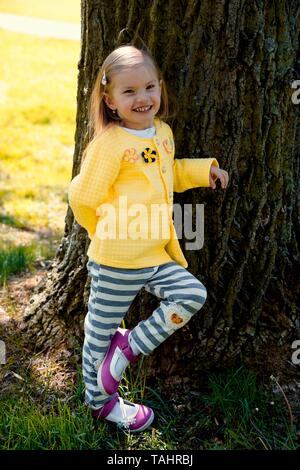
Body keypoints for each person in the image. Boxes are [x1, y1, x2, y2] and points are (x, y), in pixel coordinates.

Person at [68, 43, 229, 433]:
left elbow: (168, 172)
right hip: (116, 262)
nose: (143, 98)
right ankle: (100, 403)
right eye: (129, 91)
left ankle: (128, 347)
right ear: (109, 100)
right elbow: (82, 196)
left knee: (192, 295)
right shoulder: (111, 144)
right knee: (97, 335)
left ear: (160, 87)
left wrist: (201, 171)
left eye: (150, 87)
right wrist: (102, 230)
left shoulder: (163, 133)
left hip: (155, 255)